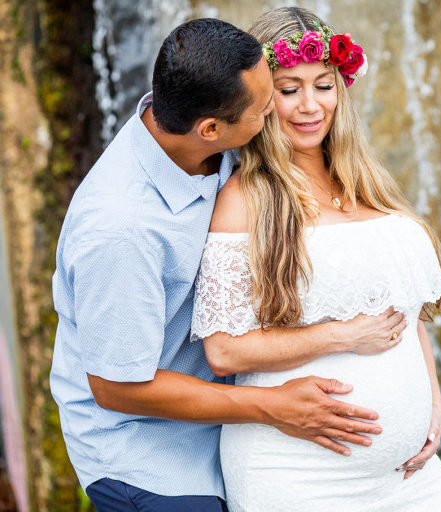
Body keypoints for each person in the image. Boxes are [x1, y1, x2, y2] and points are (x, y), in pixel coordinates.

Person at [50, 18, 404, 511]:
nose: (276, 113)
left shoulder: (206, 139)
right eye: (265, 108)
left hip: (233, 433)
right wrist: (272, 407)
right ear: (212, 128)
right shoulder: (122, 229)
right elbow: (117, 387)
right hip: (150, 463)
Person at [190, 7, 441, 511]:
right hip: (297, 473)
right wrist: (341, 336)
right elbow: (224, 351)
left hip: (410, 476)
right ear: (259, 99)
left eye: (323, 85)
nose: (309, 106)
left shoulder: (366, 182)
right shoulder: (245, 200)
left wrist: (432, 400)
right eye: (288, 88)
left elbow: (396, 307)